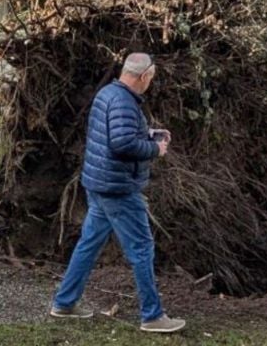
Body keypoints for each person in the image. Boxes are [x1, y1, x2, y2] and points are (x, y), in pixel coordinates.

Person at [47, 52, 185, 333]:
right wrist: (154, 149)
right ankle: (152, 316)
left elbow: (117, 134)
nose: (150, 83)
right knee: (142, 248)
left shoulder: (109, 94)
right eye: (151, 78)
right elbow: (121, 143)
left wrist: (149, 132)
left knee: (90, 243)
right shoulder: (123, 101)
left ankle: (64, 302)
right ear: (144, 76)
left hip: (99, 184)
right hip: (117, 188)